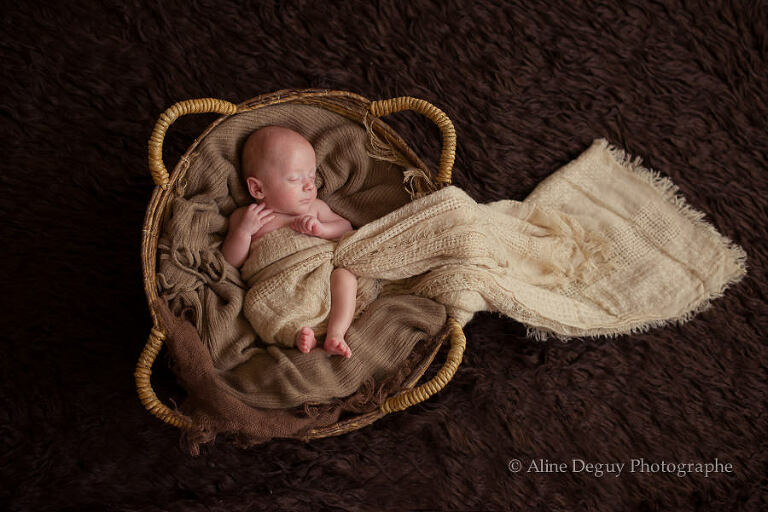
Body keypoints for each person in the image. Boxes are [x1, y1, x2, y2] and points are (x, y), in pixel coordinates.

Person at [221, 126, 356, 358]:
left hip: (319, 276)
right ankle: (296, 334)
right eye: (295, 178)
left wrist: (322, 230)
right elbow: (230, 260)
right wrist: (244, 232)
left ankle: (336, 332)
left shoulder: (316, 208)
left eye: (312, 177)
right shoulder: (247, 218)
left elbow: (345, 229)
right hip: (276, 290)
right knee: (254, 305)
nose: (309, 186)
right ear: (257, 188)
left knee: (345, 276)